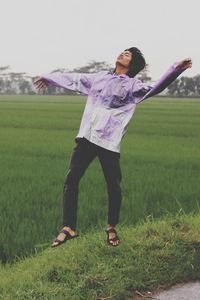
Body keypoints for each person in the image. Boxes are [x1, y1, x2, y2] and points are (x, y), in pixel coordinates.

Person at [34, 47, 192, 247]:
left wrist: (176, 69)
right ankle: (68, 228)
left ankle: (111, 227)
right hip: (86, 138)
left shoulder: (133, 86)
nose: (122, 54)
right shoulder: (100, 78)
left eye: (127, 54)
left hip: (108, 142)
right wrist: (48, 78)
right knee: (71, 180)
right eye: (122, 51)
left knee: (113, 186)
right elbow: (75, 78)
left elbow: (155, 87)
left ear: (132, 65)